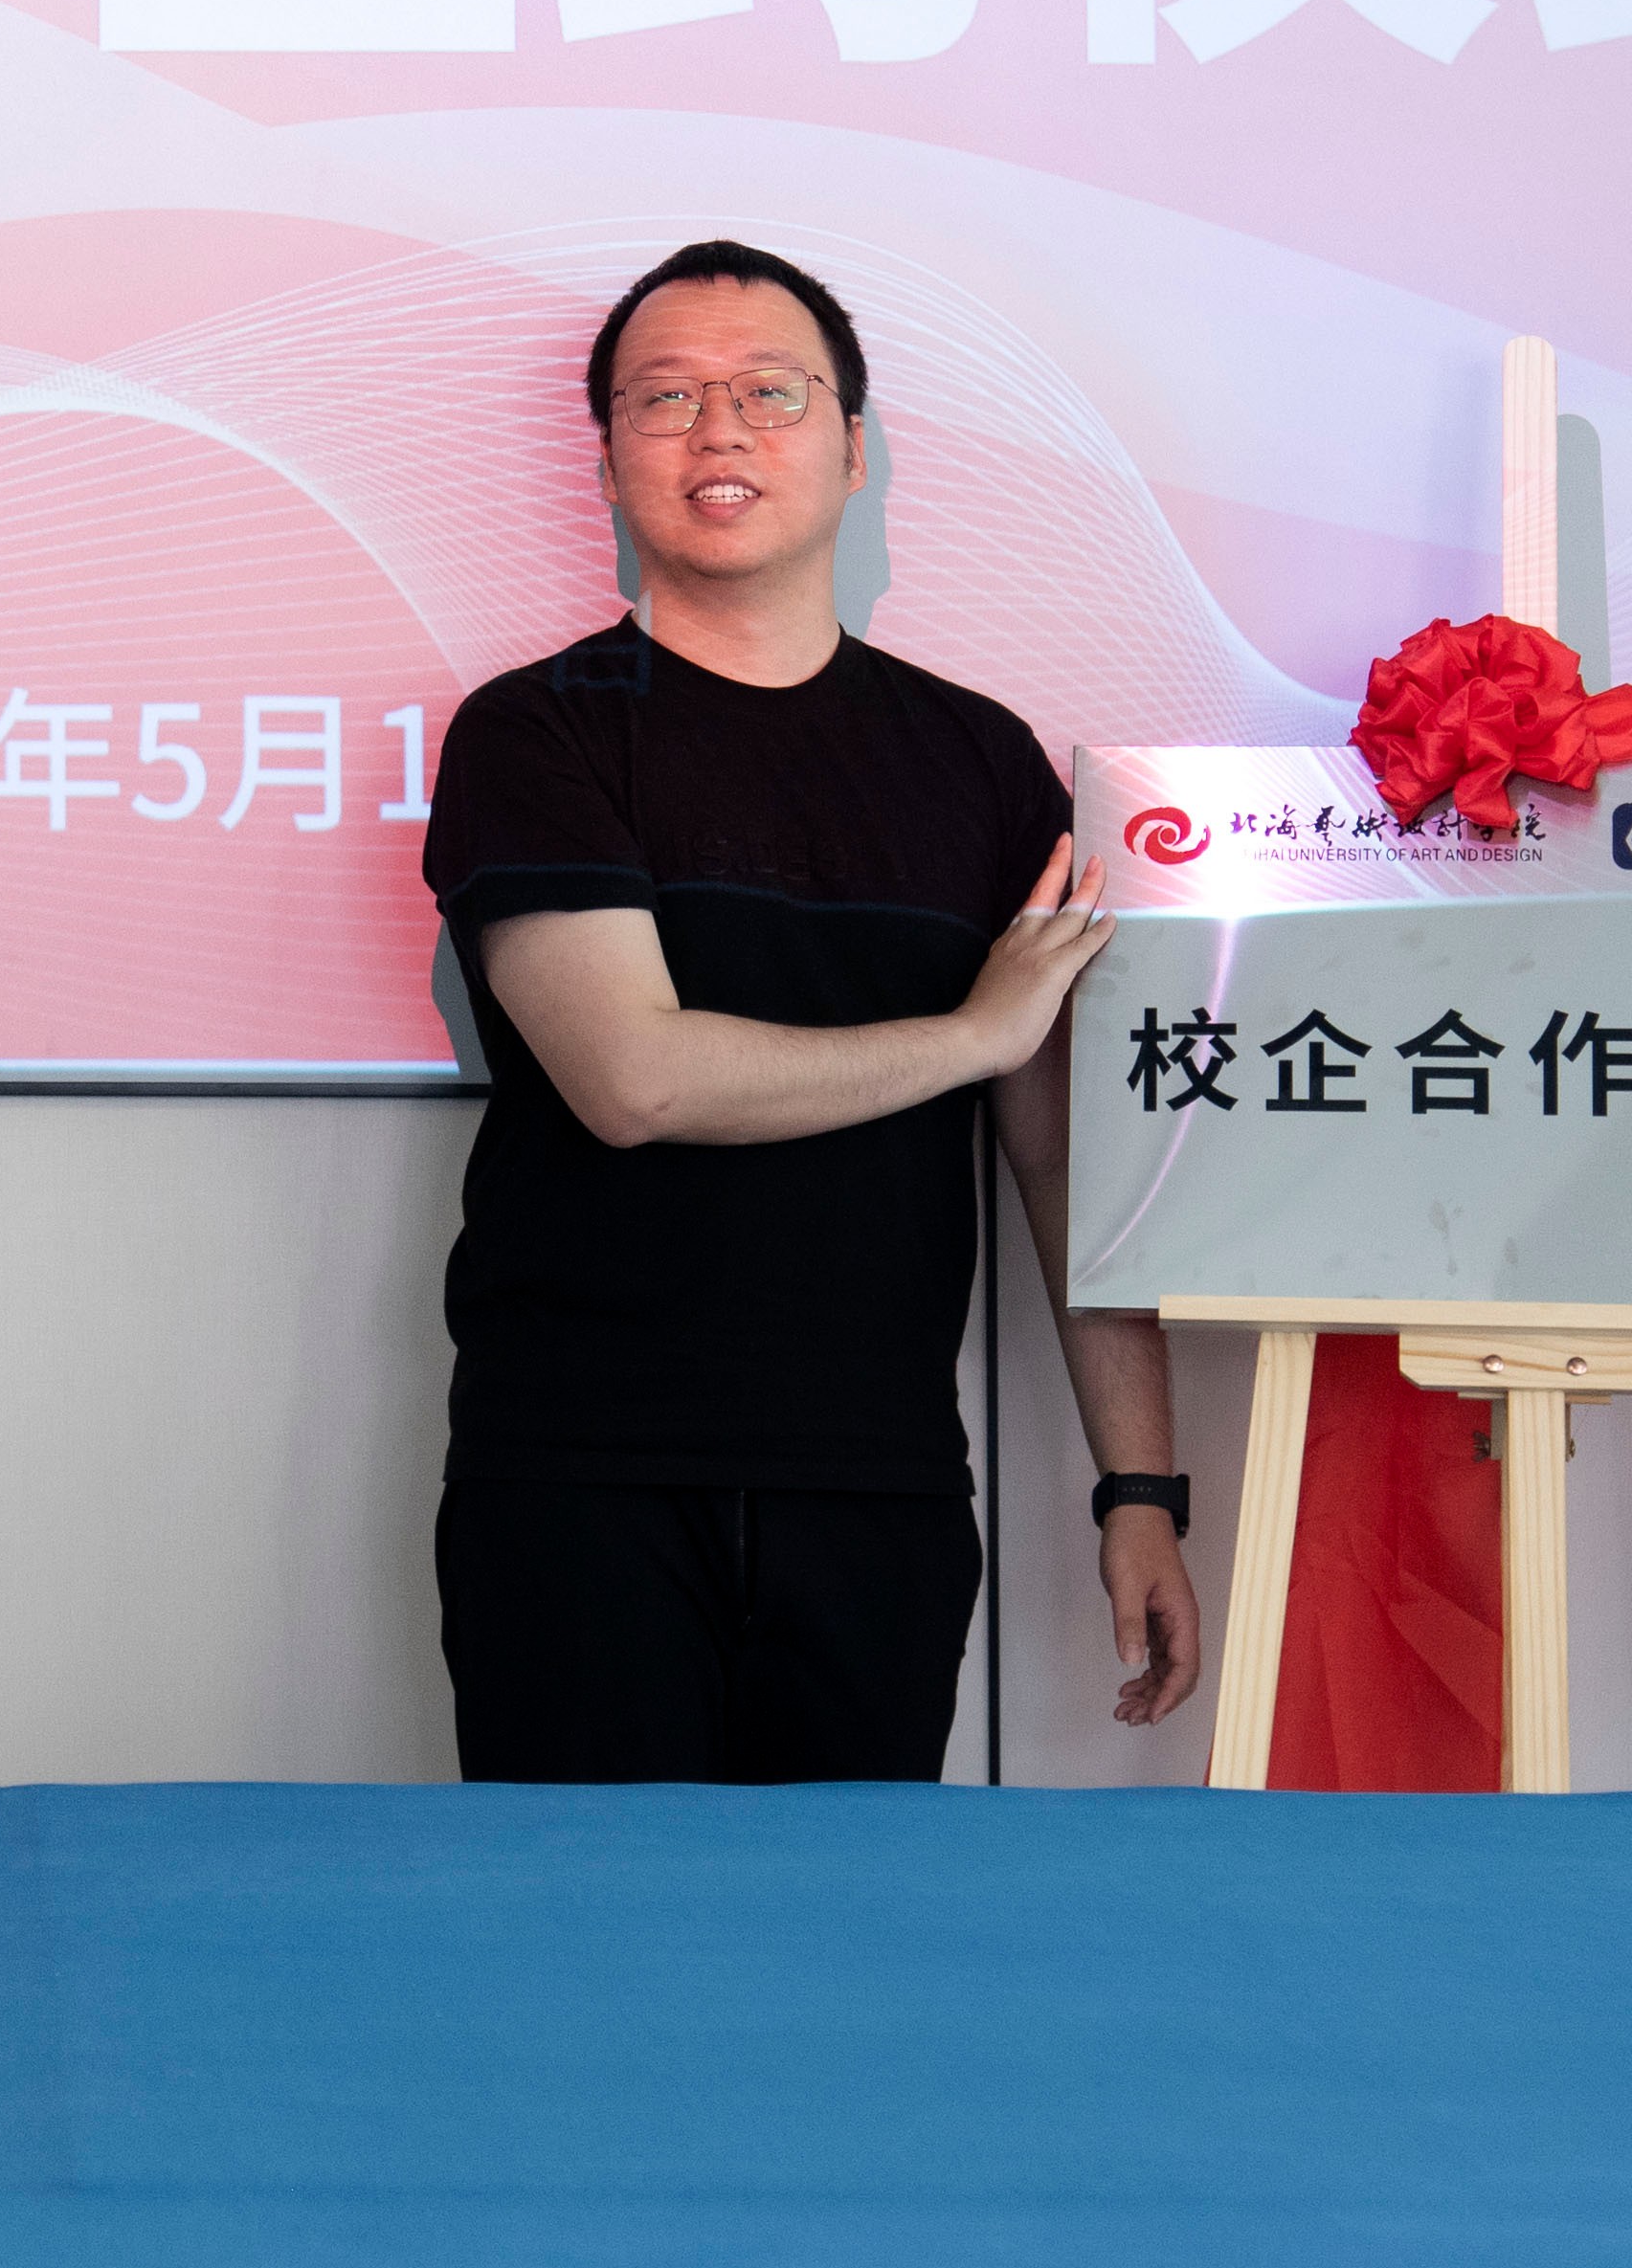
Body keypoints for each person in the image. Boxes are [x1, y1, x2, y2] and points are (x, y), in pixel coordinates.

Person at [420, 238, 1195, 1782]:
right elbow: (633, 1078)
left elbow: (1060, 1159)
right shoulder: (534, 732)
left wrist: (1141, 1489)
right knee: (580, 1918)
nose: (717, 428)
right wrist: (969, 1033)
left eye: (769, 393)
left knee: (851, 1924)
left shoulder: (978, 762)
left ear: (852, 448)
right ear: (607, 461)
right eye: (665, 397)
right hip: (579, 1476)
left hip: (880, 1480)